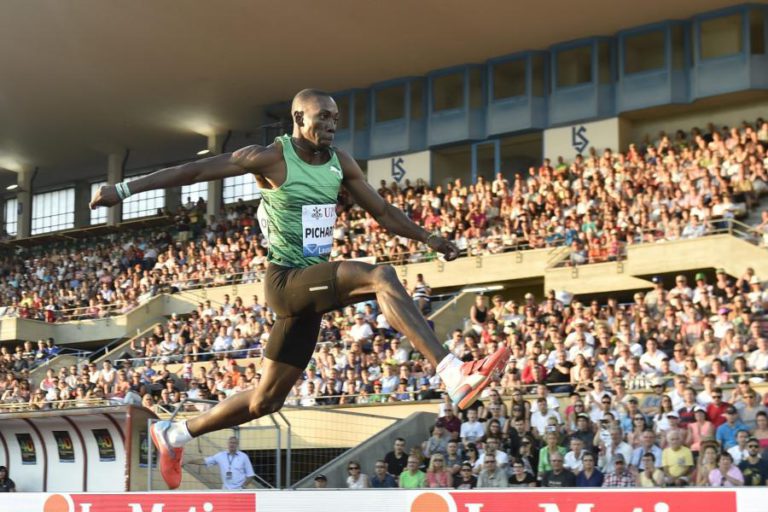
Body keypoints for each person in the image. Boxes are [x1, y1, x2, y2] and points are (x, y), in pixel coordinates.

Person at [91, 89, 510, 489]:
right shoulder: (270, 157)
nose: (331, 124)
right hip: (286, 282)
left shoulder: (339, 162)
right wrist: (122, 190)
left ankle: (175, 433)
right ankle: (451, 371)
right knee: (381, 276)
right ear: (298, 117)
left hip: (311, 290)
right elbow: (194, 171)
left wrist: (429, 238)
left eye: (336, 118)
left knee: (265, 401)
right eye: (322, 116)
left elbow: (383, 211)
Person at [183, 436, 255, 490]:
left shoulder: (244, 457)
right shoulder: (221, 456)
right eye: (230, 442)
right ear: (228, 444)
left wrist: (242, 487)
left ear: (237, 444)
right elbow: (204, 461)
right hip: (225, 490)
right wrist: (188, 461)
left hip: (239, 491)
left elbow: (251, 475)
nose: (232, 444)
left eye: (234, 443)